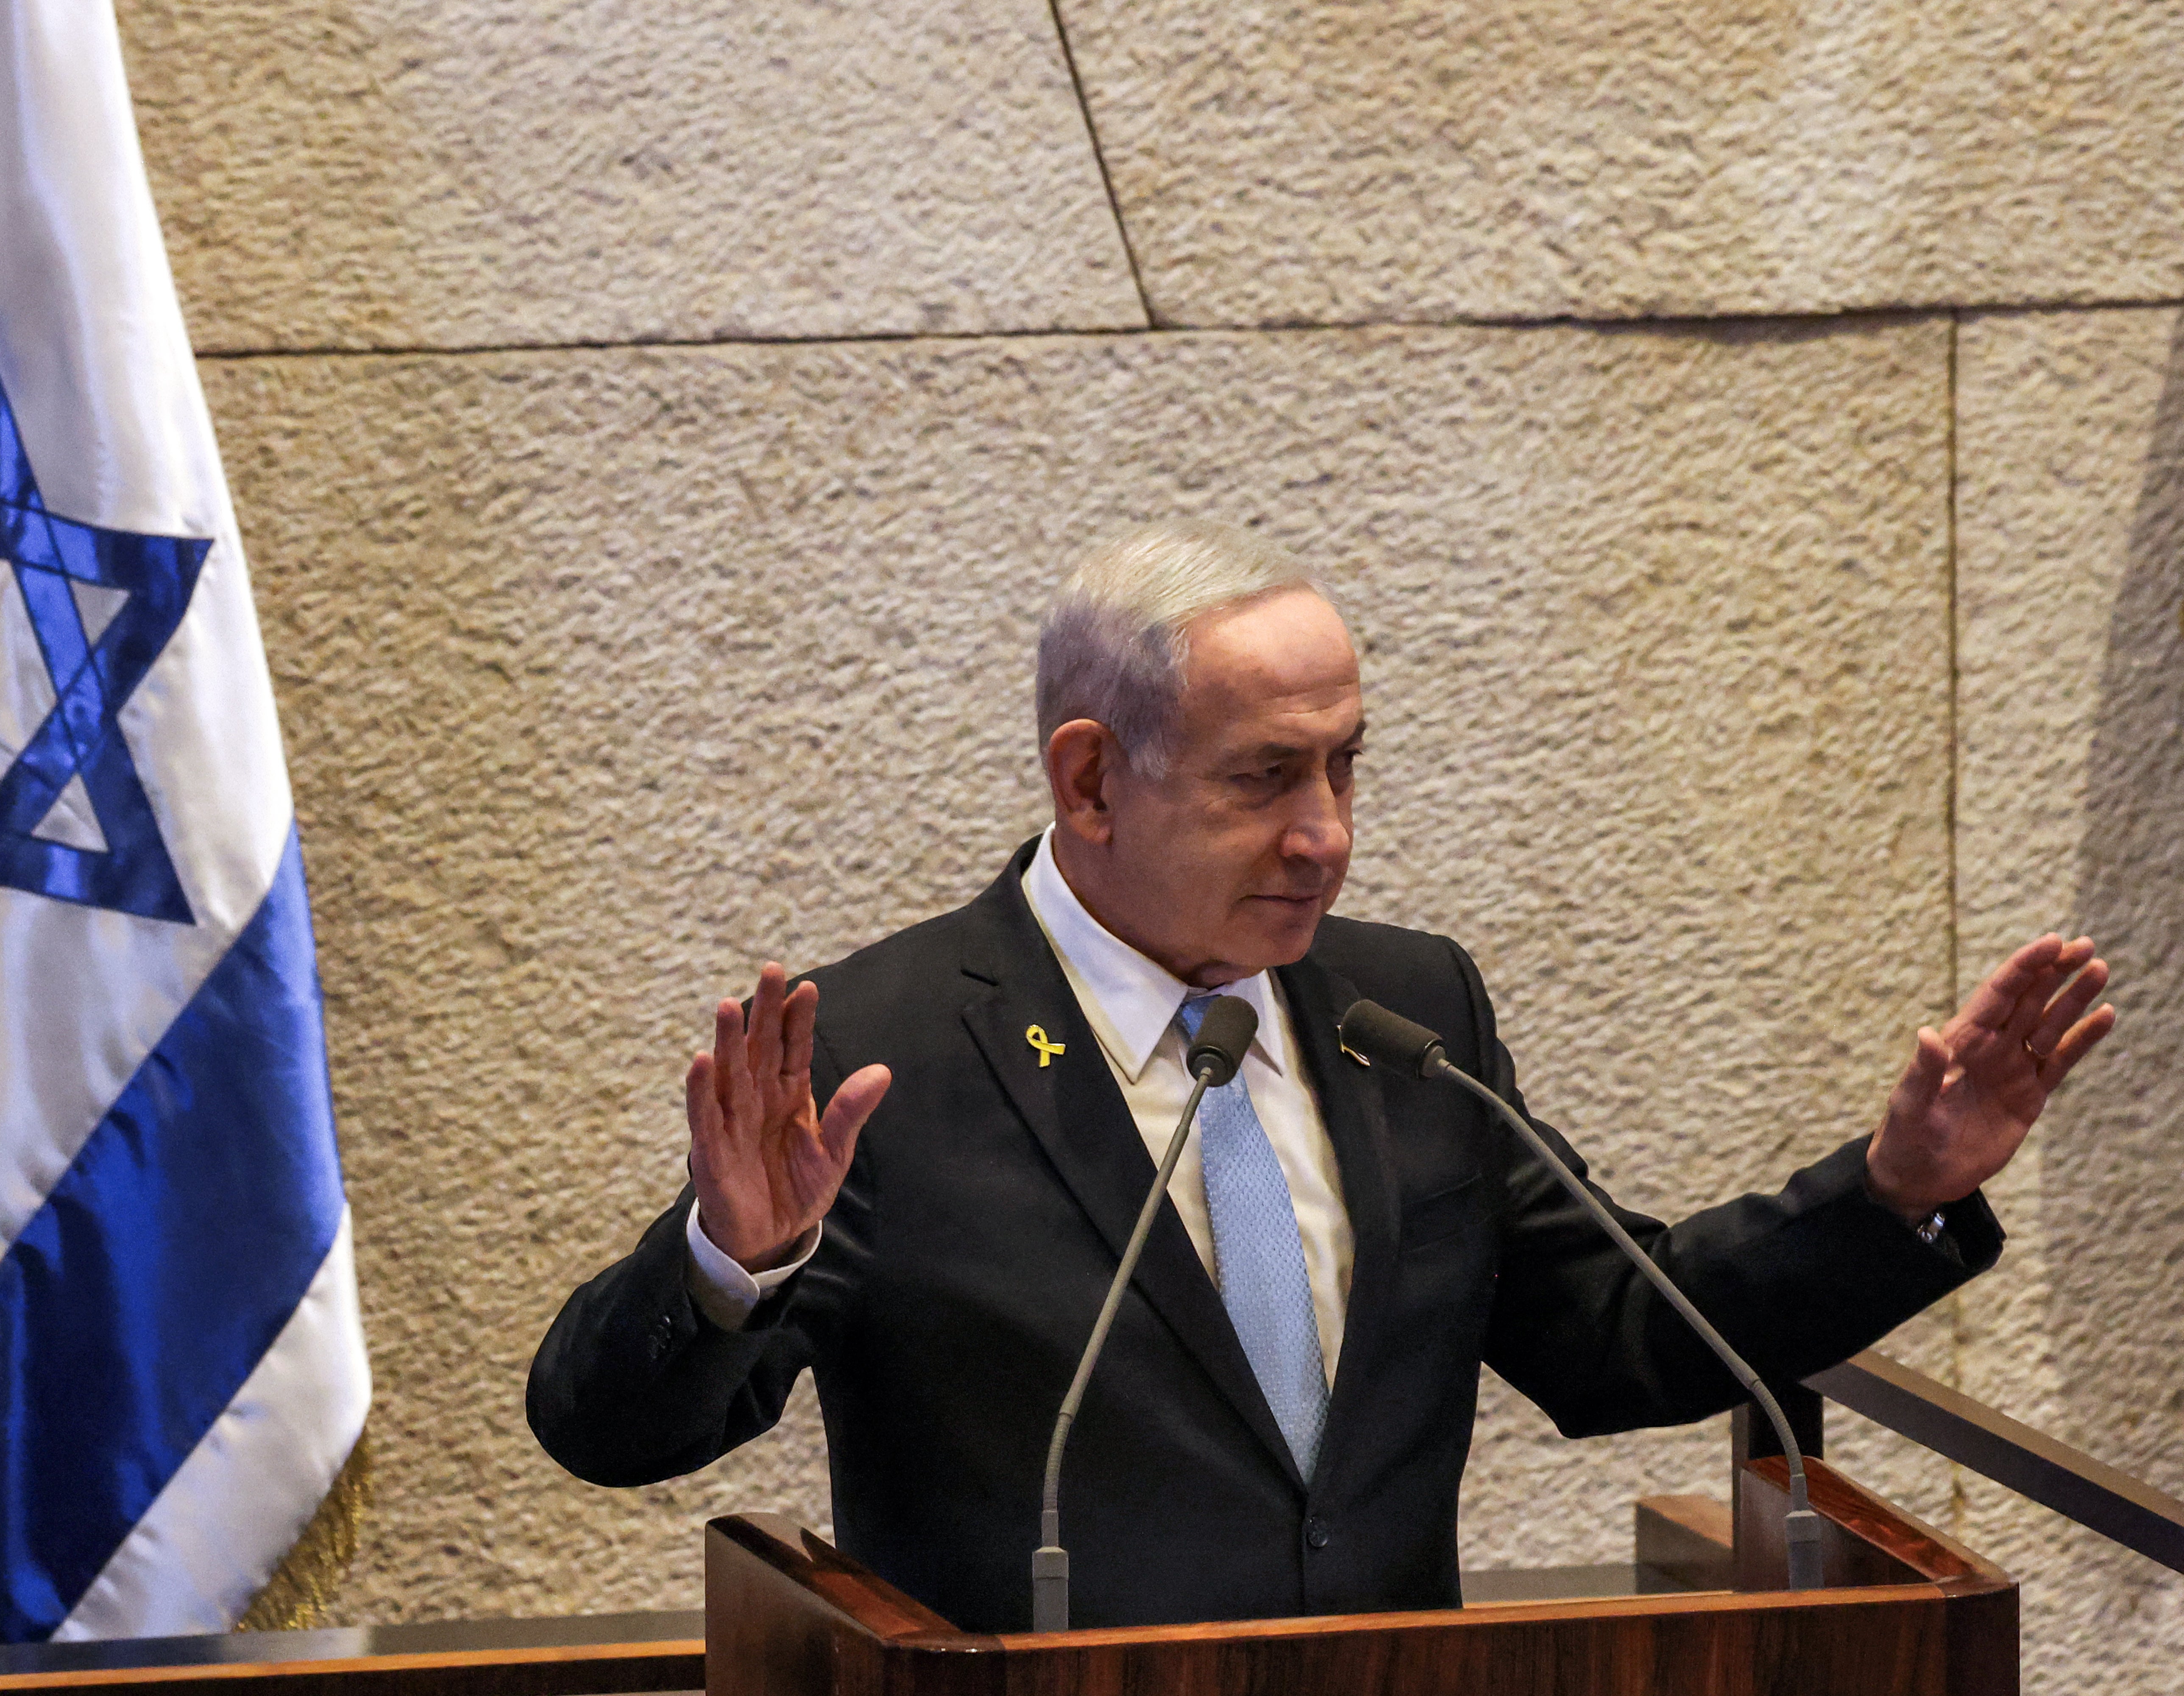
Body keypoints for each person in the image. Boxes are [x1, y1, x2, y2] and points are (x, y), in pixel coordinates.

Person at [526, 522, 2114, 1632]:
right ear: (1090, 778)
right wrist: (732, 1264)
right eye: (1267, 777)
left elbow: (1622, 1332)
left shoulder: (1407, 1015)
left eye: (1347, 763)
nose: (1328, 834)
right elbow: (606, 1430)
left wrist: (1898, 1193)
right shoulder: (889, 1055)